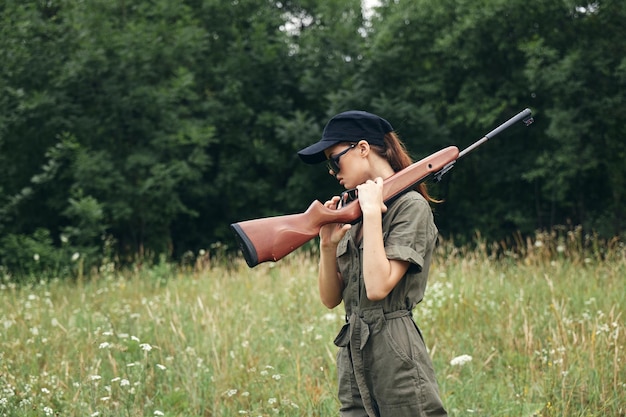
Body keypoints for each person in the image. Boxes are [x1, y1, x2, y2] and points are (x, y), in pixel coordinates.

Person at [297, 110, 448, 417]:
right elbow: (330, 299)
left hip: (395, 351)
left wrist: (372, 215)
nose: (332, 172)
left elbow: (379, 286)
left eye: (334, 160)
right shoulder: (353, 209)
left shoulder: (410, 206)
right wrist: (328, 246)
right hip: (353, 349)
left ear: (363, 148)